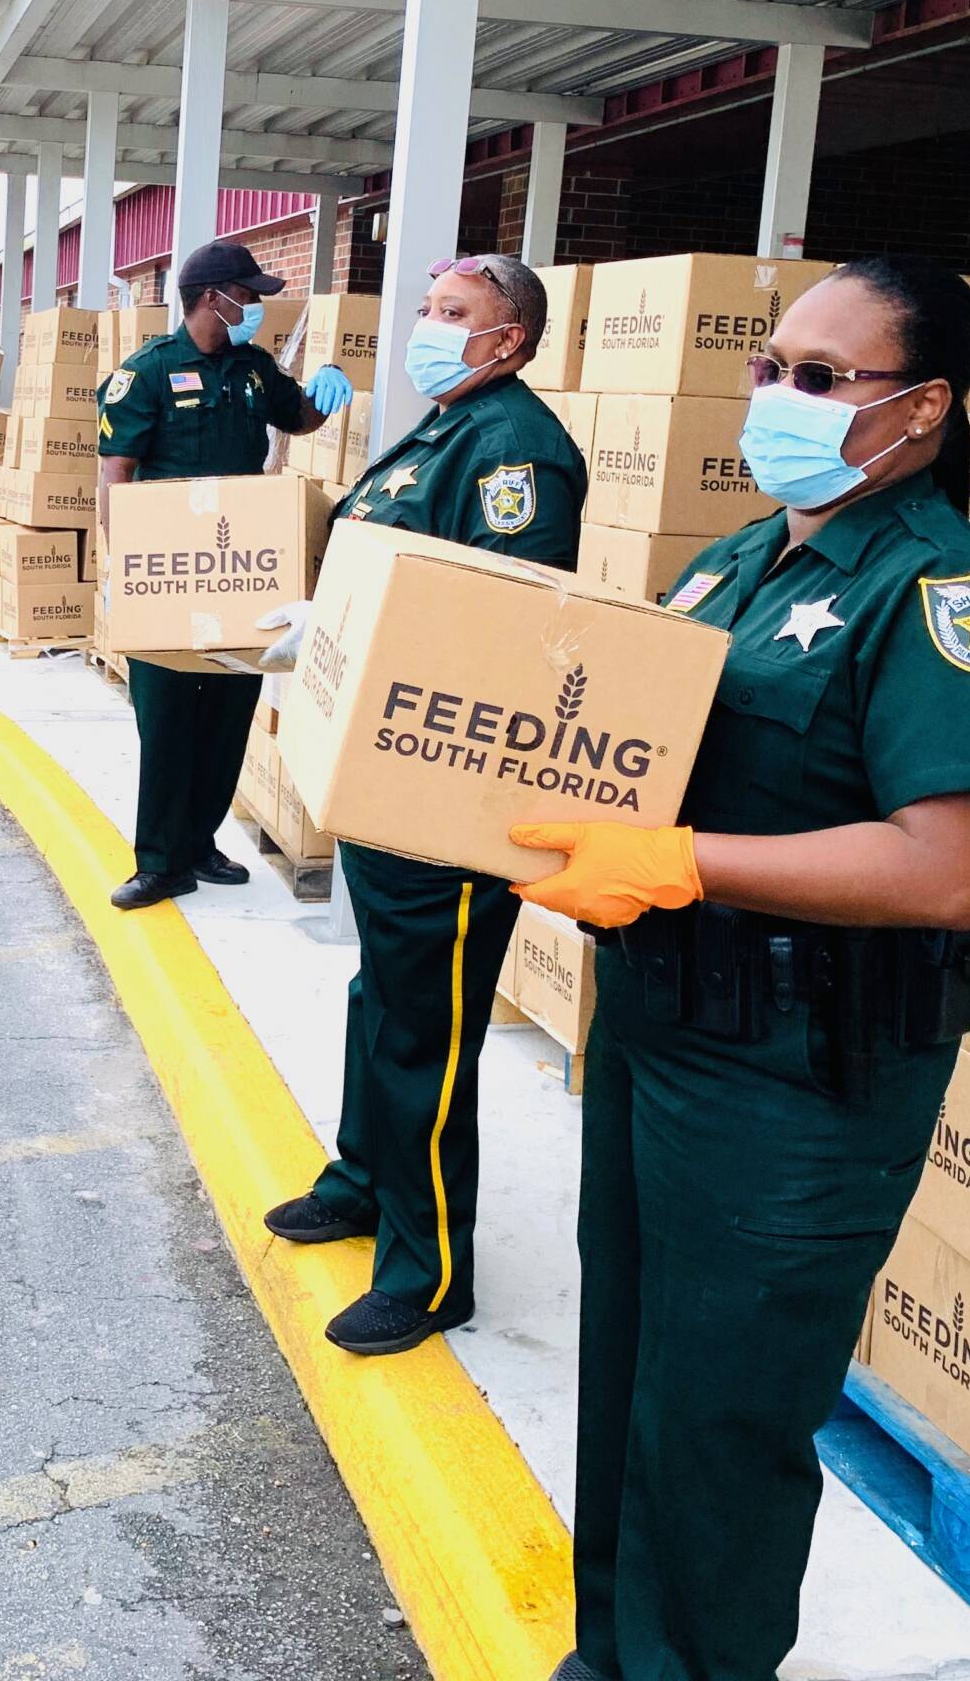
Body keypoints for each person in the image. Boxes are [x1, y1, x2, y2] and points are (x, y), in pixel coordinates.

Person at [509, 257, 970, 1681]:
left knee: (722, 1422)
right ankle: (616, 1654)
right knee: (635, 1372)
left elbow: (946, 865)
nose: (779, 397)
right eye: (769, 368)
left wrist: (689, 862)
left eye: (823, 379)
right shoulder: (743, 559)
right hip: (662, 1032)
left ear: (924, 406)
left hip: (798, 1083)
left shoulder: (955, 598)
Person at [258, 254, 589, 1355]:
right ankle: (363, 1179)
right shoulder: (449, 427)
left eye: (454, 314)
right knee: (382, 997)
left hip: (446, 792)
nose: (427, 326)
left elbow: (501, 619)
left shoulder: (516, 449)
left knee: (427, 1033)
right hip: (391, 774)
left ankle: (429, 1265)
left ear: (508, 340)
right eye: (428, 308)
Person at [96, 239, 344, 910]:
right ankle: (159, 862)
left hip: (240, 570)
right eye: (249, 295)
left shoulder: (254, 369)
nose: (257, 307)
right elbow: (116, 473)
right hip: (172, 574)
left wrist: (325, 393)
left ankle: (200, 844)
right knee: (168, 722)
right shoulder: (145, 374)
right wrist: (129, 570)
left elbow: (300, 415)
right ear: (214, 297)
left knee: (227, 716)